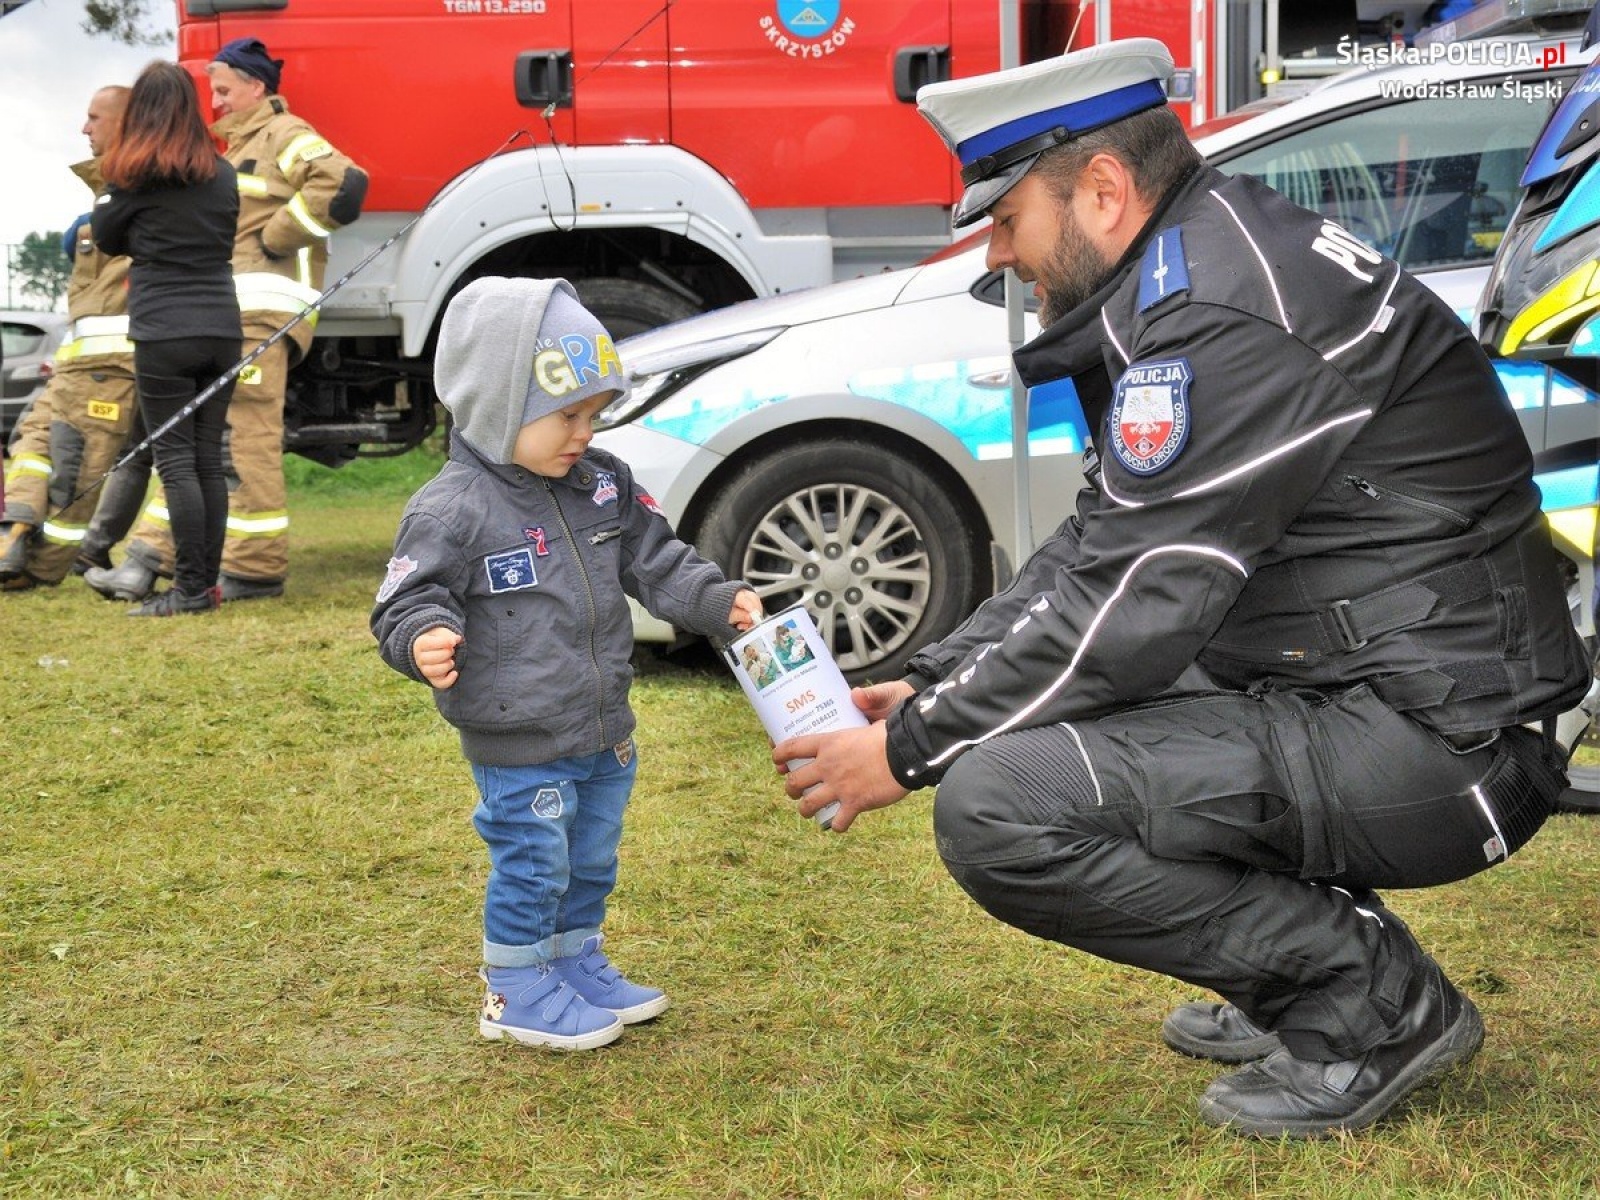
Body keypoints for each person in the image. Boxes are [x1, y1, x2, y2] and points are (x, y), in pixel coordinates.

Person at [771, 39, 1593, 1138]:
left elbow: (1131, 601)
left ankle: (1369, 1004)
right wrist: (936, 678)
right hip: (1388, 688)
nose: (998, 253)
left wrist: (911, 748)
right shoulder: (1206, 262)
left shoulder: (1216, 314)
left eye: (1007, 219)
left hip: (1450, 743)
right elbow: (1101, 538)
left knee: (998, 804)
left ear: (1104, 190)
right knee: (1029, 733)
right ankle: (1306, 962)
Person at [372, 277, 763, 1051]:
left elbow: (658, 562)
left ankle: (571, 958)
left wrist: (719, 601)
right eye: (566, 416)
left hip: (603, 727)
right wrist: (422, 637)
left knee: (588, 860)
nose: (584, 433)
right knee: (533, 862)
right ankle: (515, 988)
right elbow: (404, 601)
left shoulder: (603, 486)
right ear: (496, 404)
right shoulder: (451, 509)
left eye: (595, 414)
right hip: (518, 738)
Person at [85, 36, 367, 605]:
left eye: (223, 90)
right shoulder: (221, 157)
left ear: (256, 86)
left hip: (262, 306)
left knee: (237, 441)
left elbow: (344, 182)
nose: (214, 103)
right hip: (231, 310)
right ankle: (154, 559)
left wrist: (274, 237)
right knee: (203, 448)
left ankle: (251, 569)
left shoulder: (282, 133)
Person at [92, 60, 242, 616]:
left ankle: (190, 591)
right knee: (207, 460)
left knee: (175, 462)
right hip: (222, 328)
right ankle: (206, 586)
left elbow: (106, 239)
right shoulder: (222, 173)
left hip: (164, 331)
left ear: (141, 113)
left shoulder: (132, 175)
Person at [0, 85, 136, 591]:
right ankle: (13, 534)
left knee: (76, 470)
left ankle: (37, 570)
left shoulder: (140, 193)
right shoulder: (108, 195)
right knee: (31, 440)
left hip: (109, 367)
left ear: (126, 124)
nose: (84, 128)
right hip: (77, 365)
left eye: (95, 117)